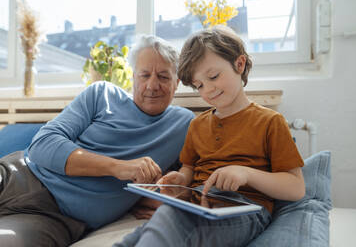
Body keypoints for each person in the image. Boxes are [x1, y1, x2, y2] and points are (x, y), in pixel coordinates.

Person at [114, 26, 305, 247]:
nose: (208, 90)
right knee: (137, 237)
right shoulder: (198, 125)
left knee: (168, 224)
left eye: (213, 76)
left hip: (243, 211)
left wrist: (246, 173)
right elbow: (189, 168)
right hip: (196, 205)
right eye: (199, 85)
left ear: (239, 64)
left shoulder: (269, 122)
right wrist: (181, 180)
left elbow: (296, 188)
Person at [0, 35, 194, 247]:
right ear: (133, 78)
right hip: (19, 176)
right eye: (145, 75)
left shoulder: (184, 125)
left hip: (56, 219)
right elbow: (42, 144)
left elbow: (190, 178)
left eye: (164, 77)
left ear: (177, 83)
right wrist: (117, 167)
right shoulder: (102, 94)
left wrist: (170, 196)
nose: (152, 85)